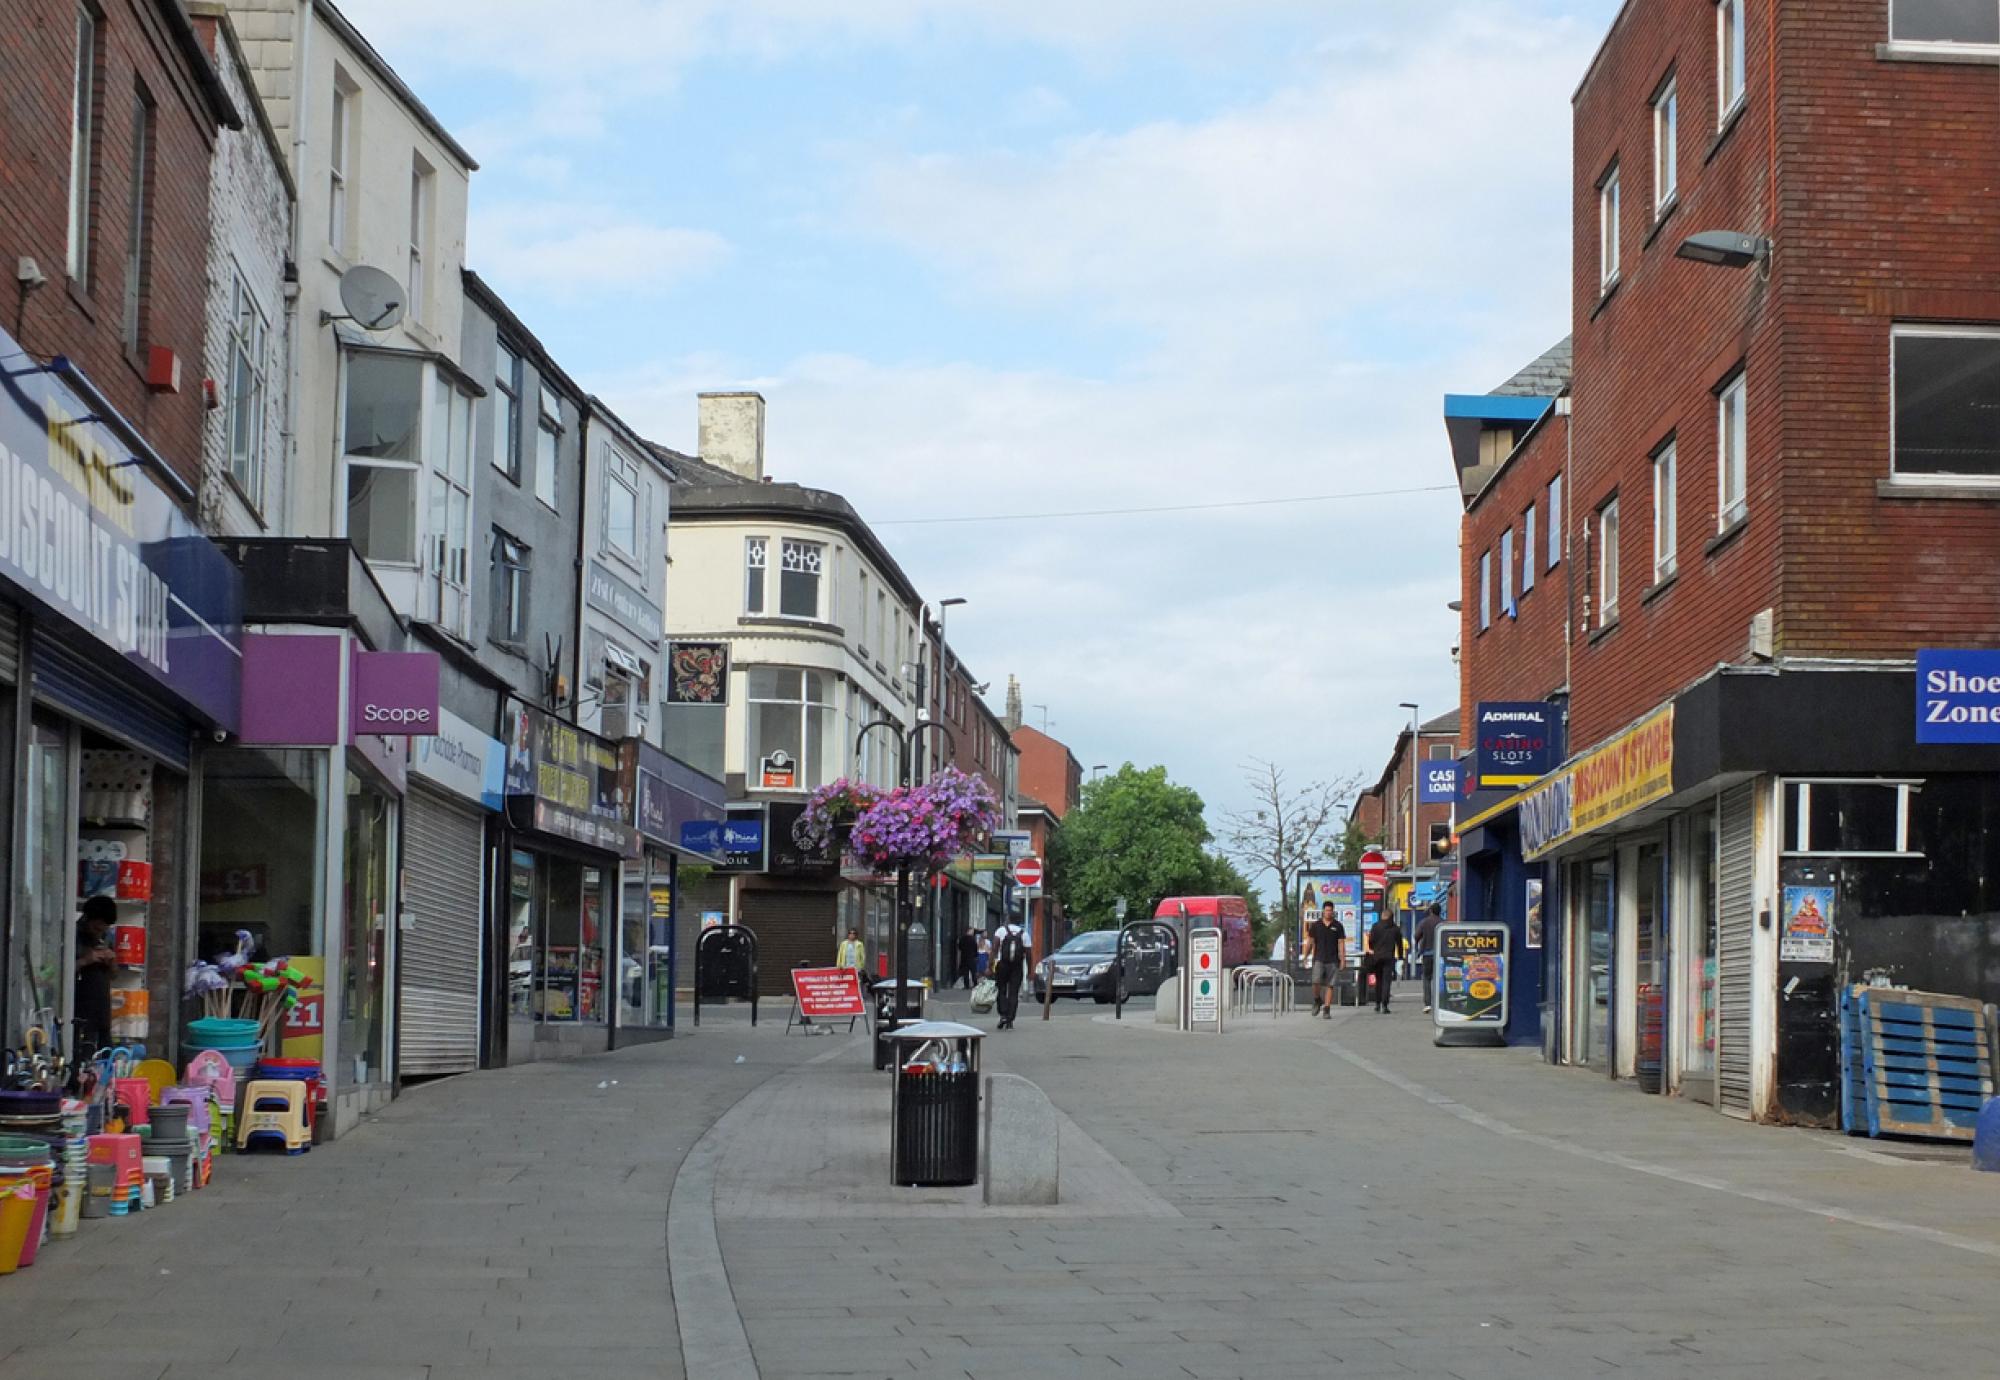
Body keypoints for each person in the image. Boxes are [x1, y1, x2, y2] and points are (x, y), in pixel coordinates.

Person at [74, 896, 118, 1058]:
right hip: (80, 1007)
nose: (99, 932)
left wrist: (112, 961)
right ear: (87, 918)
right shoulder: (73, 935)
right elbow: (56, 973)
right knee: (83, 1054)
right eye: (96, 928)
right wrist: (85, 960)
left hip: (102, 1008)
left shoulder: (107, 936)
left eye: (103, 929)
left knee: (106, 1055)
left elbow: (114, 974)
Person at [1304, 902, 1346, 1018]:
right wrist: (1305, 956)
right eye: (1327, 910)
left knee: (1330, 985)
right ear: (1323, 911)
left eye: (1330, 910)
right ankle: (1317, 1000)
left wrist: (1343, 959)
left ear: (1333, 911)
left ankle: (1327, 1009)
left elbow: (1341, 943)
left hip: (1332, 959)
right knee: (1315, 981)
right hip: (1319, 958)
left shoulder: (1337, 926)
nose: (1328, 912)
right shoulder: (1316, 925)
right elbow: (1310, 942)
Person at [991, 918, 1029, 1029]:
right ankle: (1010, 1019)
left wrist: (990, 965)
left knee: (1001, 990)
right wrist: (1030, 971)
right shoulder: (1024, 934)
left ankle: (1003, 1015)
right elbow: (1029, 954)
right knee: (1014, 993)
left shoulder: (1001, 931)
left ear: (1007, 922)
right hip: (1017, 967)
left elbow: (994, 948)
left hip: (1003, 965)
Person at [1365, 909, 1403, 1014]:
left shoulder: (1375, 926)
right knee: (1387, 981)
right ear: (1391, 917)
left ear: (1382, 916)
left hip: (1377, 957)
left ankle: (1377, 1004)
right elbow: (1399, 944)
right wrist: (1400, 957)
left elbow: (1371, 941)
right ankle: (1385, 1005)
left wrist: (1375, 949)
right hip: (1388, 957)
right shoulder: (1395, 929)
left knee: (1379, 980)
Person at [1412, 904, 1443, 1013]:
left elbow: (1416, 936)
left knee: (1426, 978)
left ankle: (1428, 1004)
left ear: (1431, 911)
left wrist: (1418, 947)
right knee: (1440, 979)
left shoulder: (1424, 922)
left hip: (1427, 954)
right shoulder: (1443, 923)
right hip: (1441, 955)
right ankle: (1441, 1003)